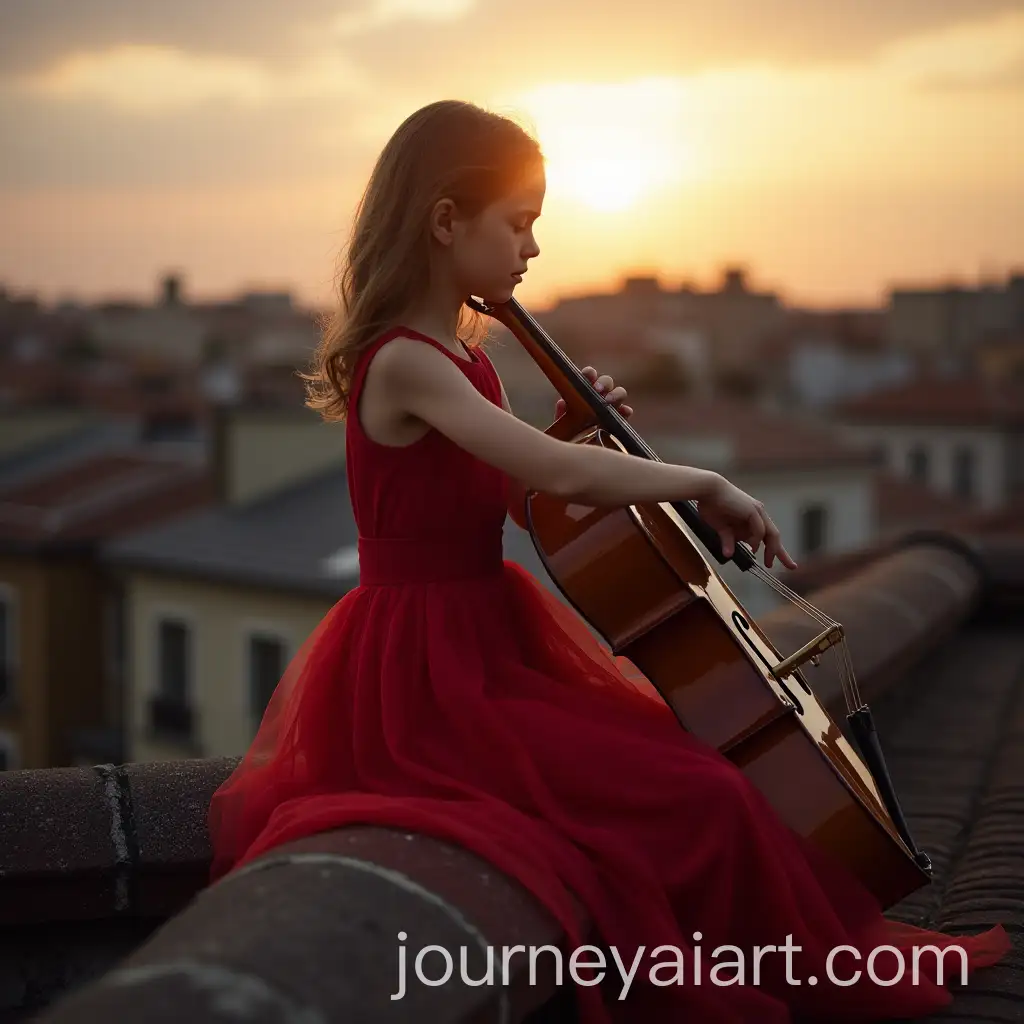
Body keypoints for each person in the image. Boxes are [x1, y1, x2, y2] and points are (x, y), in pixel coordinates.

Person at [206, 99, 1008, 1021]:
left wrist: (570, 429)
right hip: (428, 671)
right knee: (694, 797)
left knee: (700, 780)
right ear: (445, 220)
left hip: (488, 639)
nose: (533, 249)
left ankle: (801, 965)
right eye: (519, 224)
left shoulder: (465, 361)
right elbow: (552, 475)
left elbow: (517, 495)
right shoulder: (404, 362)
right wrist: (700, 481)